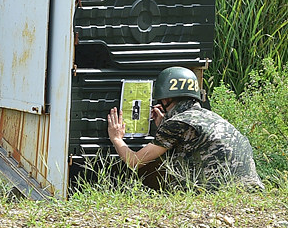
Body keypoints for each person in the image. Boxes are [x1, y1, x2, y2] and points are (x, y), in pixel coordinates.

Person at [107, 66, 264, 191]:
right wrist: (165, 124)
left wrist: (116, 138)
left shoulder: (177, 123)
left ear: (166, 98)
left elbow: (135, 161)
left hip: (220, 192)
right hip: (251, 189)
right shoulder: (210, 116)